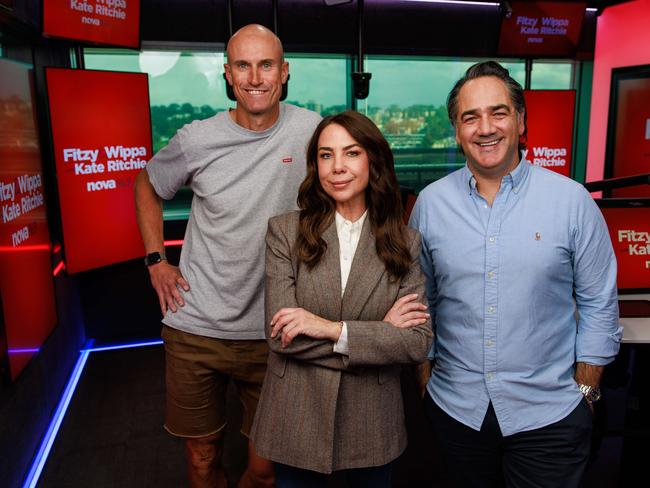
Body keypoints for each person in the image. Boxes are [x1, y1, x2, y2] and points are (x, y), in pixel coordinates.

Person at [409, 60, 622, 488]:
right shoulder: (430, 205)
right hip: (456, 413)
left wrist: (586, 394)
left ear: (520, 121)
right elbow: (421, 302)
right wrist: (425, 382)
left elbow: (600, 302)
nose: (485, 128)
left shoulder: (572, 201)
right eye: (470, 117)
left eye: (498, 113)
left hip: (550, 415)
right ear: (456, 130)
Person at [134, 24, 321, 488]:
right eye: (243, 65)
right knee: (202, 459)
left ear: (284, 72)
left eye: (266, 65)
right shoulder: (198, 139)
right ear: (228, 73)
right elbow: (147, 184)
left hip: (275, 329)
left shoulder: (311, 131)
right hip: (196, 325)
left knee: (265, 470)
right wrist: (157, 261)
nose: (255, 77)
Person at [250, 110, 433, 487]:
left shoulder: (406, 244)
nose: (337, 167)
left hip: (372, 422)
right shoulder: (285, 232)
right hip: (299, 416)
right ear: (315, 164)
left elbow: (416, 343)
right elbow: (279, 337)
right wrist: (380, 335)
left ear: (373, 161)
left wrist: (328, 328)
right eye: (325, 154)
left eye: (351, 153)